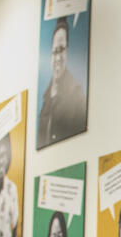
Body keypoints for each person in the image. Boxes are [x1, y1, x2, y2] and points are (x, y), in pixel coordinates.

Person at [36, 16, 87, 147]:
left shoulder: (77, 94)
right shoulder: (45, 100)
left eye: (62, 50)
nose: (58, 58)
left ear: (67, 52)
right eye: (54, 51)